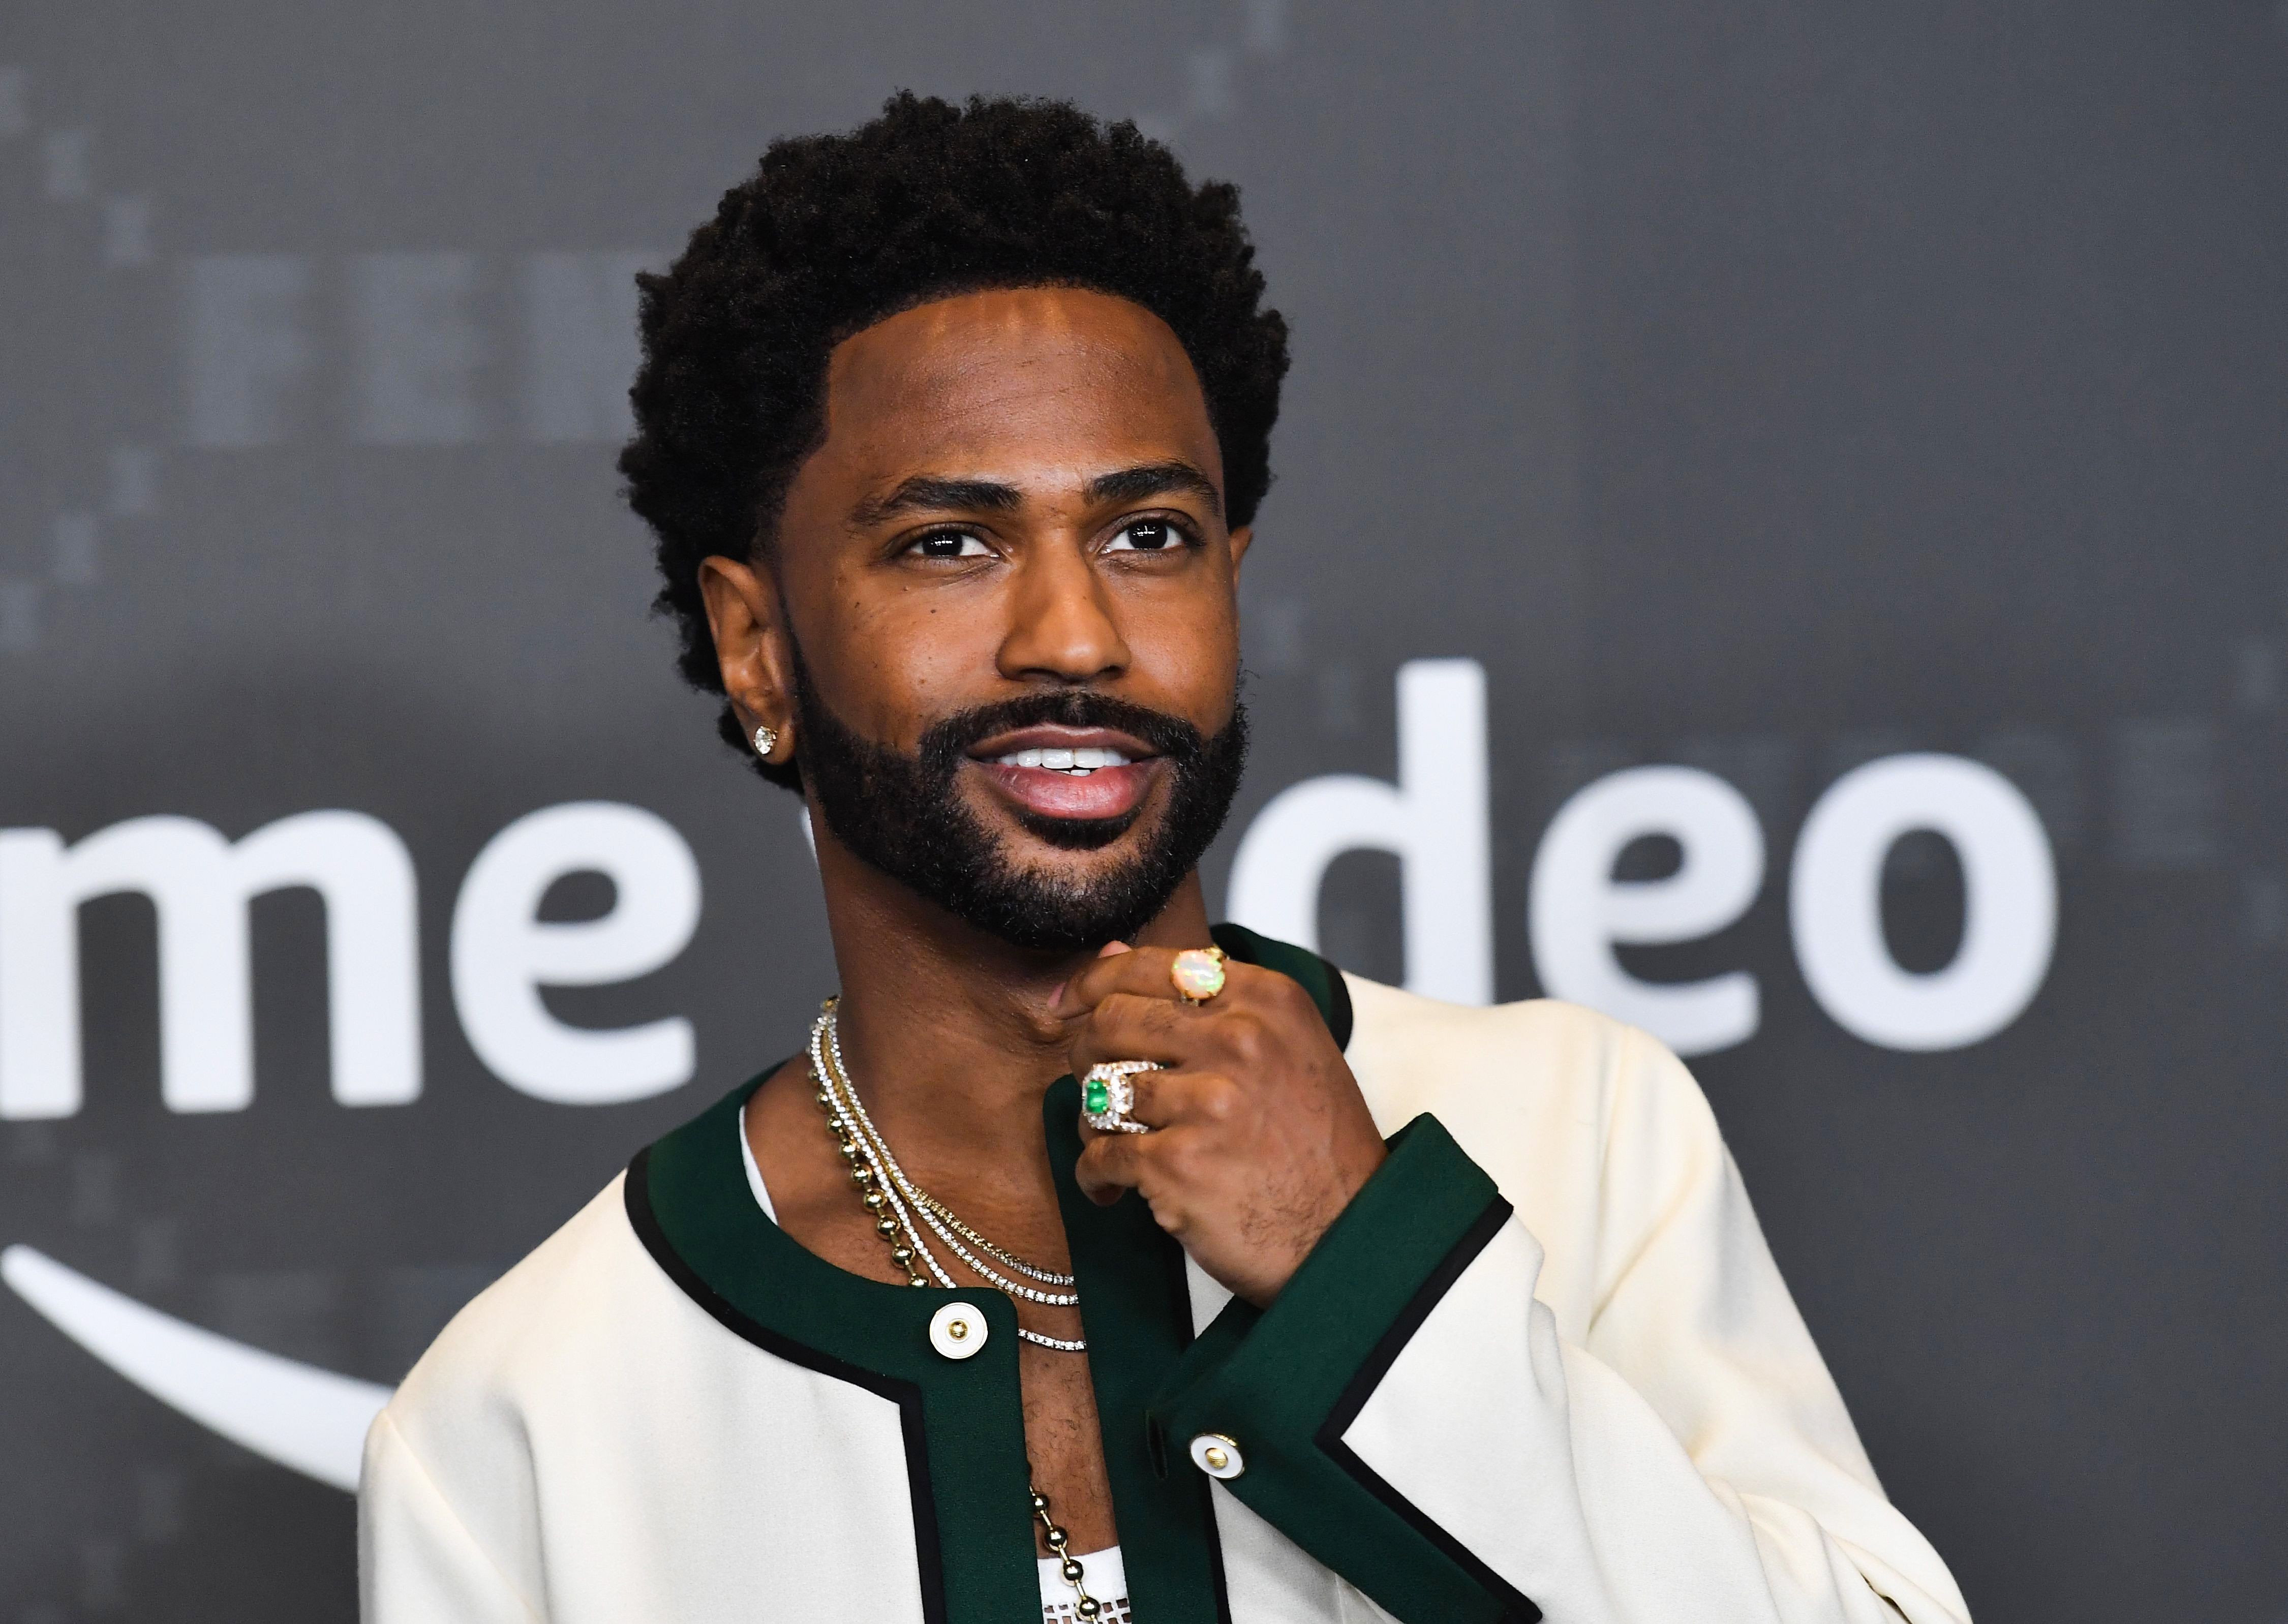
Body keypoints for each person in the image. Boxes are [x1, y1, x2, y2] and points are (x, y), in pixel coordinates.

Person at [358, 93, 1970, 1624]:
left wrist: (1370, 1274)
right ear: (757, 643)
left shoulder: (1579, 1133)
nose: (1079, 632)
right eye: (950, 543)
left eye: (1150, 535)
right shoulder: (530, 1419)